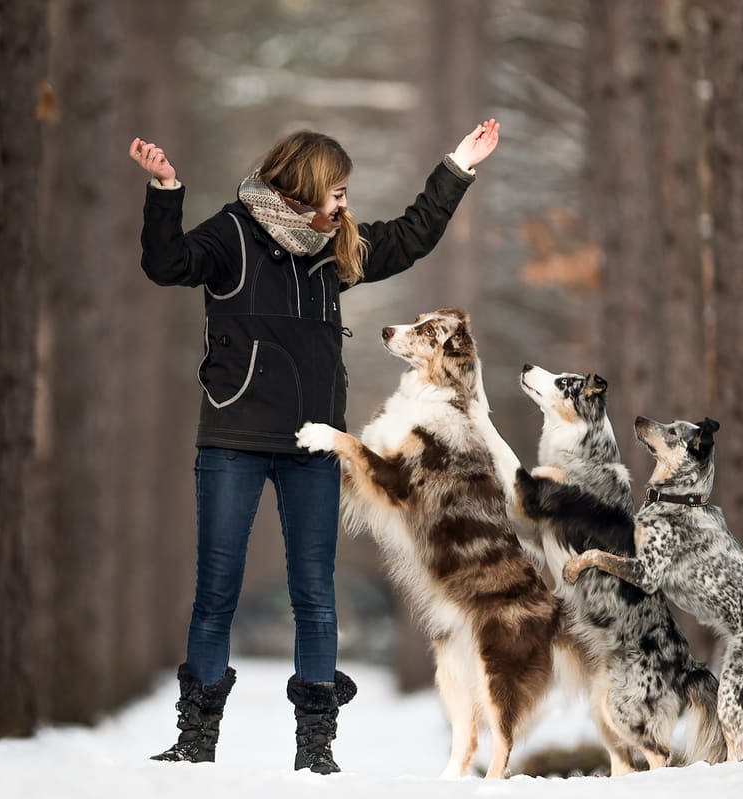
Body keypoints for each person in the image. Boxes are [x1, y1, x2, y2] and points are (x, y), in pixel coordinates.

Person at [128, 119, 500, 772]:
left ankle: (315, 747)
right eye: (337, 193)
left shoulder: (337, 249)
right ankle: (195, 738)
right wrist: (166, 188)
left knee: (315, 595)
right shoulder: (233, 234)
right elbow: (167, 264)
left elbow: (411, 236)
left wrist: (458, 167)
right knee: (216, 592)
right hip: (233, 439)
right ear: (302, 187)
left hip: (311, 445)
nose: (344, 205)